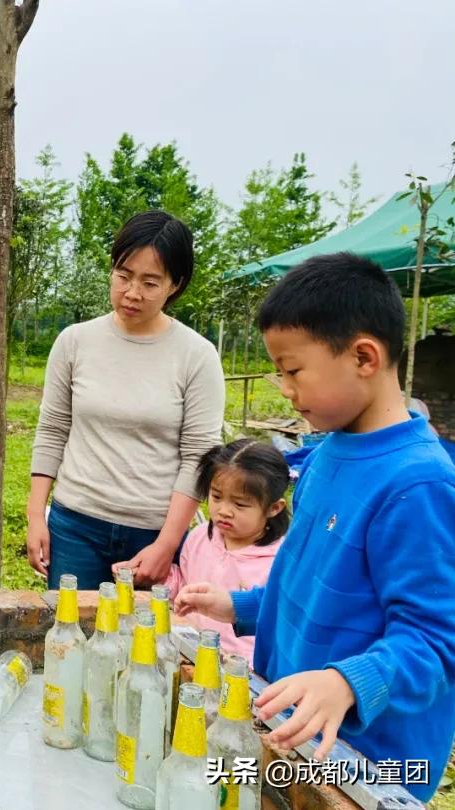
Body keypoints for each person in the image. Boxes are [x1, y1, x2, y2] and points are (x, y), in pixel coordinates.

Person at [177, 253, 455, 801]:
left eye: (292, 369)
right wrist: (241, 607)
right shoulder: (326, 455)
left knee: (205, 779)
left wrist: (348, 682)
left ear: (364, 357)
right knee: (204, 776)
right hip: (295, 733)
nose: (283, 387)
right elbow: (310, 580)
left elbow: (437, 638)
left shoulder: (418, 484)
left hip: (368, 768)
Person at [26, 210, 225, 591]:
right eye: (123, 276)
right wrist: (37, 516)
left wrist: (167, 544)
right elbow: (52, 429)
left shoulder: (196, 355)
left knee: (148, 645)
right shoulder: (75, 341)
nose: (132, 293)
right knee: (73, 638)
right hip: (75, 526)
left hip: (152, 532)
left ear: (175, 285)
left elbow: (200, 454)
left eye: (150, 283)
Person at [160, 439, 289, 665]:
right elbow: (185, 583)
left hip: (241, 670)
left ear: (273, 508)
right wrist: (163, 579)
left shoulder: (281, 560)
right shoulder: (201, 536)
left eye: (240, 504)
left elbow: (278, 621)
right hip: (189, 654)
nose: (224, 511)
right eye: (217, 497)